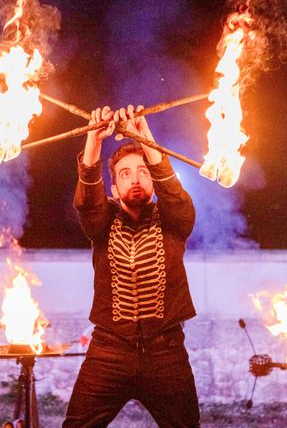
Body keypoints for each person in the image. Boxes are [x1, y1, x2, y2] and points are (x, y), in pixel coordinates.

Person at [63, 105, 200, 427]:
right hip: (109, 351)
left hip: (166, 352)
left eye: (143, 172)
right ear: (114, 189)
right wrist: (93, 141)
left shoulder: (173, 220)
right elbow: (87, 203)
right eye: (125, 174)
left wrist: (145, 137)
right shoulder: (103, 220)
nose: (135, 179)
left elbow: (178, 203)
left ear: (154, 183)